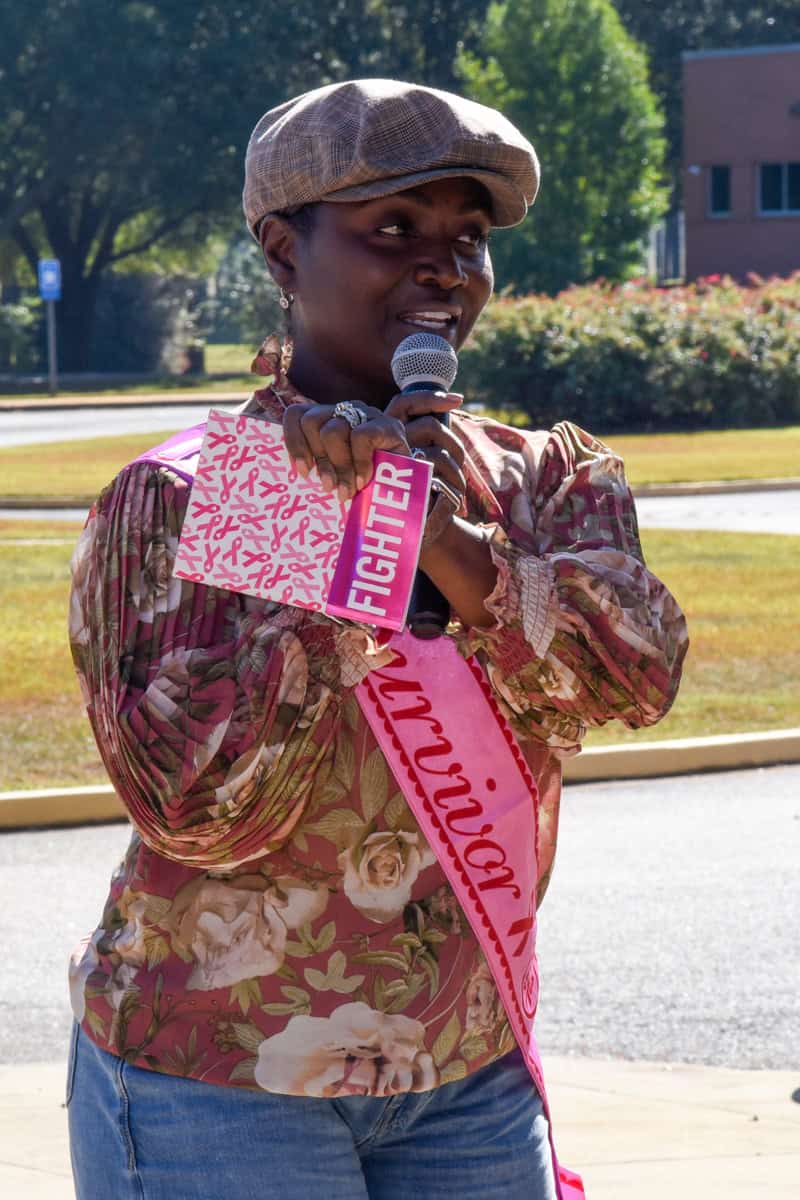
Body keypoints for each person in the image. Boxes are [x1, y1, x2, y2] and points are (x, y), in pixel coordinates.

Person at [66, 79, 688, 1200]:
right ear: (280, 248)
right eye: (391, 228)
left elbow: (630, 679)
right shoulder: (193, 491)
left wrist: (444, 539)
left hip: (466, 1071)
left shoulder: (541, 477)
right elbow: (198, 807)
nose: (441, 267)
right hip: (220, 1080)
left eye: (467, 237)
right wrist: (337, 531)